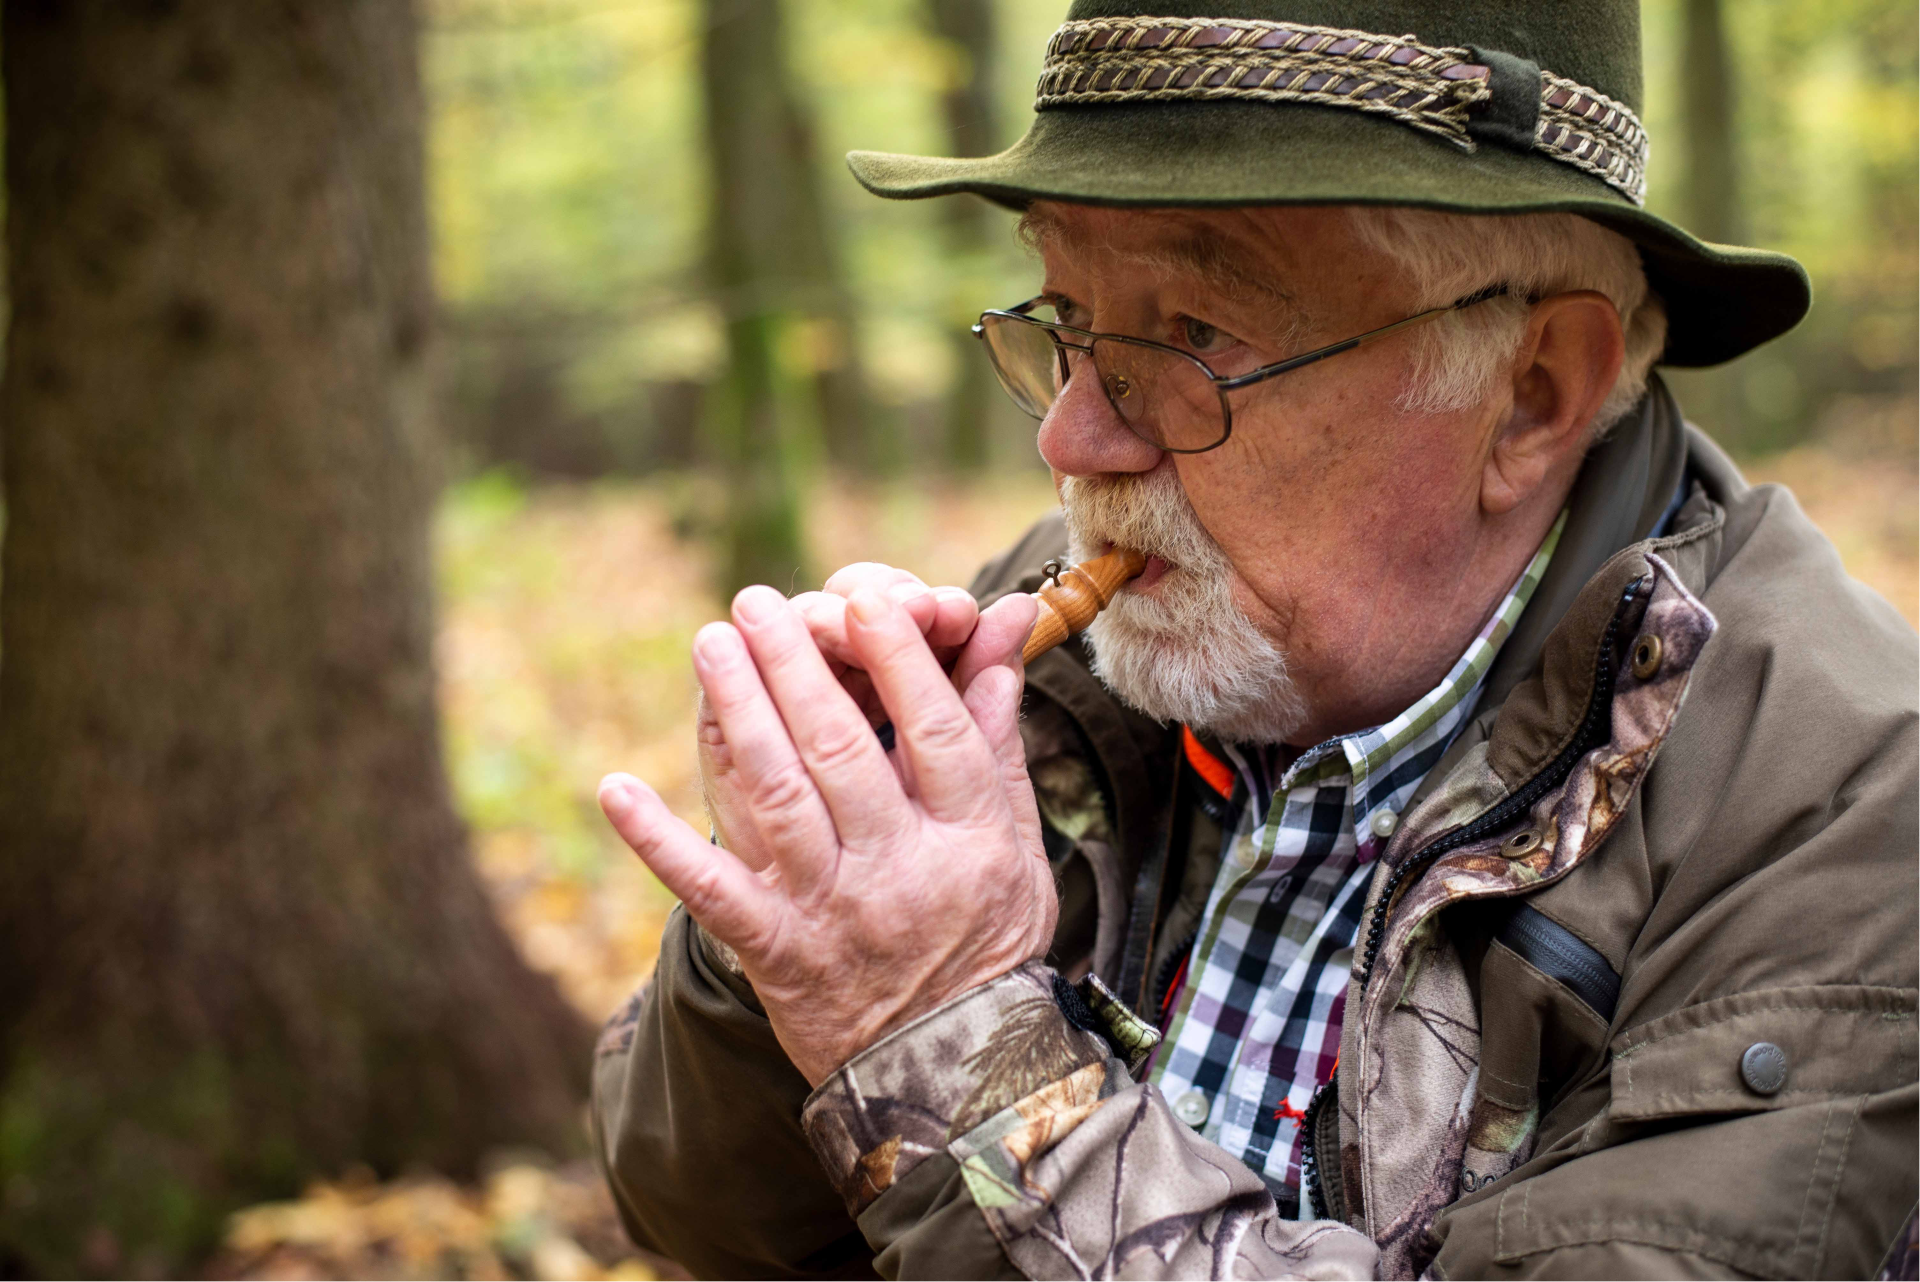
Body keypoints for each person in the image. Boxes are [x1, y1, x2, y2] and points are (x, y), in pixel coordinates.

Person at [588, 4, 1920, 1279]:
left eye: (1196, 337)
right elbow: (707, 1210)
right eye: (1065, 316)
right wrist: (810, 905)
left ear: (1532, 395)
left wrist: (951, 1044)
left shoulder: (1843, 809)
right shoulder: (1094, 638)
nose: (1072, 440)